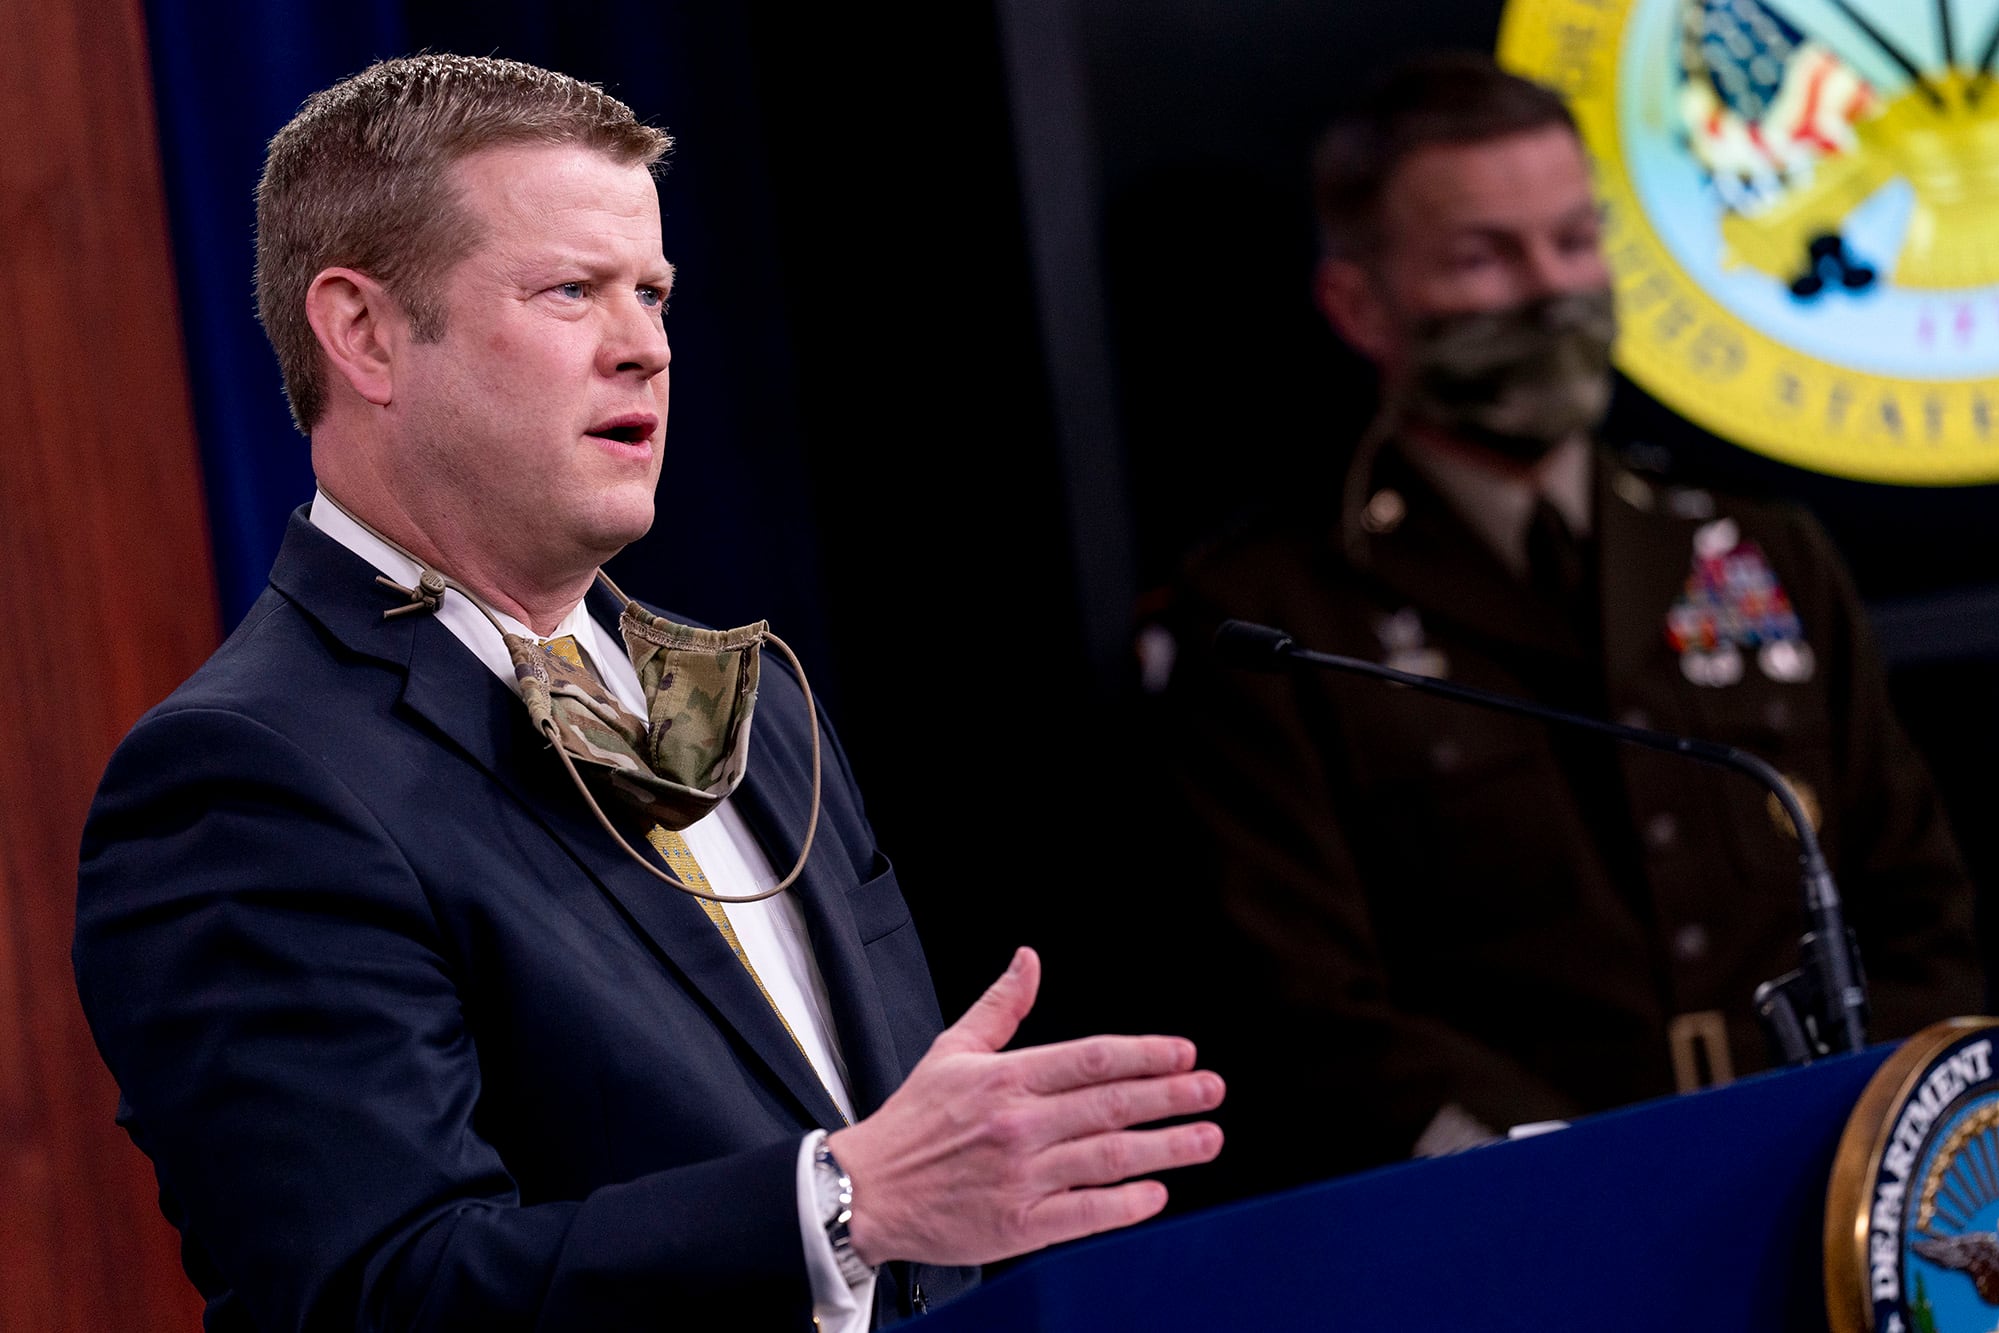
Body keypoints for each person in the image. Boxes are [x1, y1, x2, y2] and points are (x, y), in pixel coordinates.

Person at [71, 53, 1224, 1332]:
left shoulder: (758, 711)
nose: (645, 350)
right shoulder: (247, 775)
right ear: (364, 332)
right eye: (571, 291)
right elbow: (371, 1293)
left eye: (654, 294)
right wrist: (837, 1201)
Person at [1143, 50, 1980, 1195]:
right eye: (1484, 257)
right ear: (1357, 303)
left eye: (1574, 242)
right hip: (1519, 1216)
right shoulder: (1270, 616)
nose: (1550, 290)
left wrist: (1865, 1136)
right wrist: (1575, 1180)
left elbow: (1917, 909)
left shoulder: (1756, 551)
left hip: (1825, 1183)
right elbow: (1306, 1011)